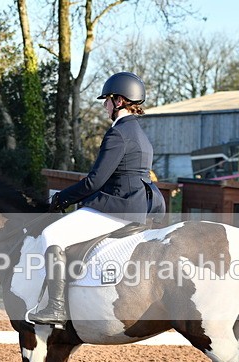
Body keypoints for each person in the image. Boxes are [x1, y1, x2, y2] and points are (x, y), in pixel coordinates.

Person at [28, 71, 154, 327]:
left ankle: (56, 308)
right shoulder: (138, 133)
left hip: (118, 209)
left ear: (118, 101)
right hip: (136, 206)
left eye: (106, 100)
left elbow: (94, 181)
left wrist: (61, 198)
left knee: (52, 235)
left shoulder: (118, 134)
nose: (104, 105)